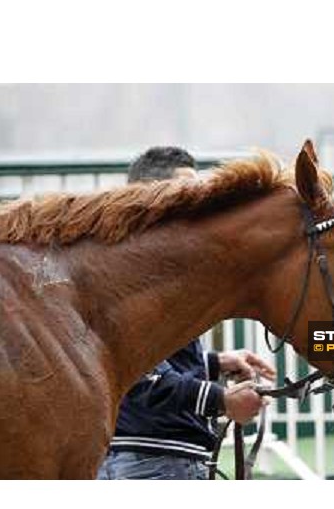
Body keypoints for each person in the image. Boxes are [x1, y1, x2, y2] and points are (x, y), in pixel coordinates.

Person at [98, 146, 276, 480]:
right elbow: (137, 372)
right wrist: (222, 400)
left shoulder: (149, 259)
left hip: (154, 457)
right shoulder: (132, 264)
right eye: (187, 191)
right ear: (148, 194)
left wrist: (215, 362)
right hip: (149, 461)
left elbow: (155, 355)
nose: (198, 201)